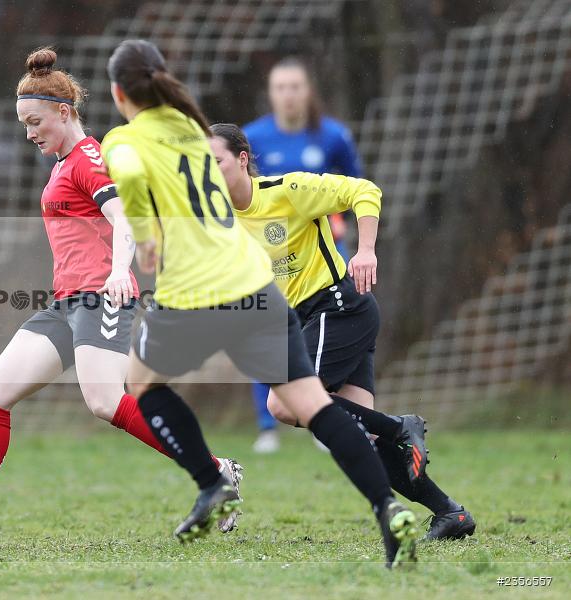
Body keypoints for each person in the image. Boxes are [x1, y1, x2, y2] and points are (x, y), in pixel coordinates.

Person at [101, 39, 419, 567]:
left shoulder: (124, 138)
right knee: (312, 404)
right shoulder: (191, 125)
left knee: (141, 384)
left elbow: (133, 179)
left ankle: (211, 482)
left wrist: (147, 237)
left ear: (118, 94)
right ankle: (389, 511)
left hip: (197, 290)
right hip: (256, 285)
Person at [0, 48, 242, 529]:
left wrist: (117, 272)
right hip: (65, 304)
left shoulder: (89, 158)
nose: (29, 134)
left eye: (35, 122)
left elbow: (124, 217)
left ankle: (215, 471)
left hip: (99, 297)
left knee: (105, 402)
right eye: (24, 125)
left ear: (63, 112)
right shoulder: (67, 162)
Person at [208, 122, 476, 541]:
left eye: (217, 161)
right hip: (314, 319)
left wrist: (365, 251)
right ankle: (450, 513)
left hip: (338, 306)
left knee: (283, 404)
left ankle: (399, 427)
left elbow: (364, 190)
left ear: (242, 160)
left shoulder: (287, 190)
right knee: (358, 439)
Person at [242, 57, 363, 451]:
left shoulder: (332, 136)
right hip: (269, 256)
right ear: (271, 94)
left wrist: (343, 222)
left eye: (295, 86)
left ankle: (324, 418)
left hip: (324, 252)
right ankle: (266, 425)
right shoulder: (252, 138)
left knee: (327, 333)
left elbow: (354, 184)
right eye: (281, 87)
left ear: (307, 91)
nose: (289, 95)